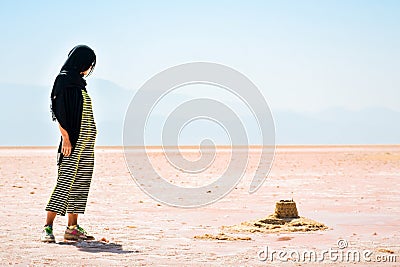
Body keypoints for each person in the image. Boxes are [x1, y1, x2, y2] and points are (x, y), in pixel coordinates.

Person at [41, 45, 97, 242]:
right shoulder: (64, 80)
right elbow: (59, 110)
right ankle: (47, 227)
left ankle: (72, 228)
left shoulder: (79, 83)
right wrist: (66, 138)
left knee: (80, 183)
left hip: (87, 143)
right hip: (72, 141)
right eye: (89, 64)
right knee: (65, 182)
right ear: (81, 62)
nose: (90, 68)